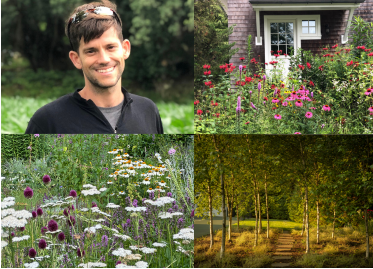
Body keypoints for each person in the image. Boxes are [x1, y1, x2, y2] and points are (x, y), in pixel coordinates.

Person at [25, 0, 163, 134]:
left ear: (125, 49)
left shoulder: (148, 110)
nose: (104, 59)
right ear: (76, 59)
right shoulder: (47, 121)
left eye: (110, 47)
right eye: (91, 51)